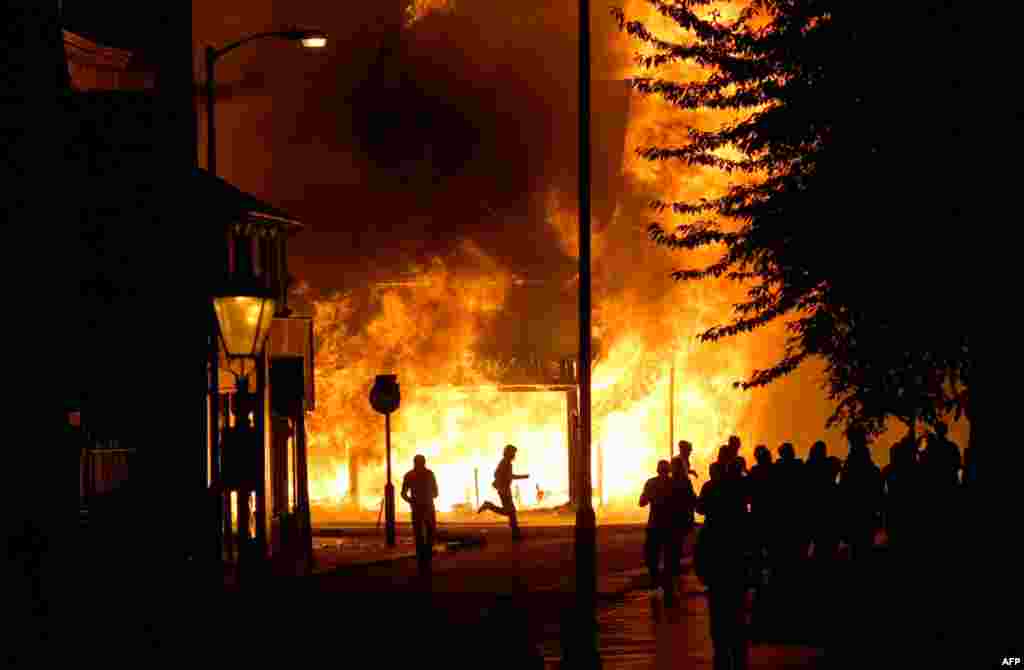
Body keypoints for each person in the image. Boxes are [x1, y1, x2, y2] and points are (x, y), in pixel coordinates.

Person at [696, 455, 750, 670]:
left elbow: (702, 554)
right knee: (736, 610)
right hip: (735, 569)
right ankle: (735, 647)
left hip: (718, 573)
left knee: (719, 613)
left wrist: (703, 573)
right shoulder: (736, 498)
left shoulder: (710, 529)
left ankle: (723, 647)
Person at [640, 460, 676, 594]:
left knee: (652, 555)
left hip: (654, 524)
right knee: (669, 555)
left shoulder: (651, 483)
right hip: (670, 525)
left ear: (657, 470)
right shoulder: (673, 484)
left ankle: (655, 582)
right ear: (669, 471)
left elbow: (642, 502)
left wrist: (649, 496)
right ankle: (668, 583)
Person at [478, 444, 529, 540]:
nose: (514, 455)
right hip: (504, 491)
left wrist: (523, 476)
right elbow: (497, 473)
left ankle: (515, 533)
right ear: (509, 453)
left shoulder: (507, 463)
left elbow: (509, 476)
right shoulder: (505, 462)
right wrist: (500, 483)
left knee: (510, 512)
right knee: (510, 512)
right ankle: (489, 506)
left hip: (505, 490)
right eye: (513, 453)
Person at [401, 454, 439, 568]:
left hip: (418, 507)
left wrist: (411, 501)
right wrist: (428, 496)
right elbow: (436, 492)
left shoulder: (409, 475)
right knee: (430, 529)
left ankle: (421, 555)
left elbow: (403, 493)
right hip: (427, 506)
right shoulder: (429, 474)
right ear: (424, 462)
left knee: (419, 531)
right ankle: (426, 553)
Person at [668, 456, 697, 590]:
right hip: (676, 518)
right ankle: (673, 571)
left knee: (674, 545)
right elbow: (692, 498)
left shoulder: (674, 481)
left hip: (675, 518)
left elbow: (691, 498)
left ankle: (673, 572)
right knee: (675, 546)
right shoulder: (683, 481)